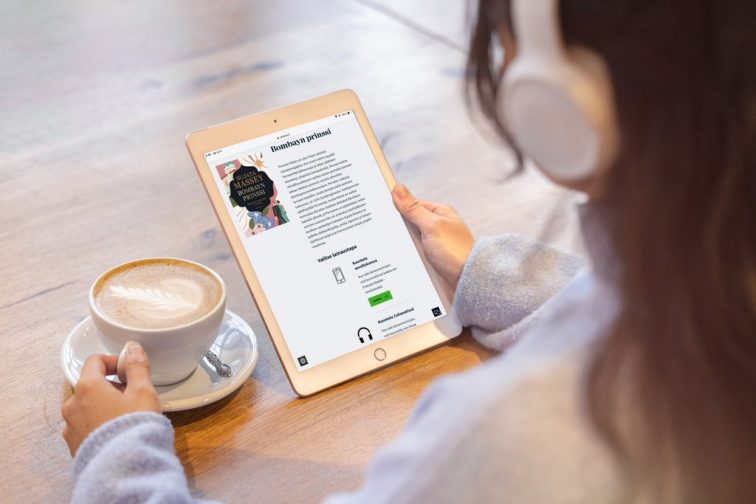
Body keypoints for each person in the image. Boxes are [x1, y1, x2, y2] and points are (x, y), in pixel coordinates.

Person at [61, 0, 755, 502]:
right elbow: (634, 311)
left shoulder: (513, 436)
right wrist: (490, 275)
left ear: (562, 100)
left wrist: (118, 455)